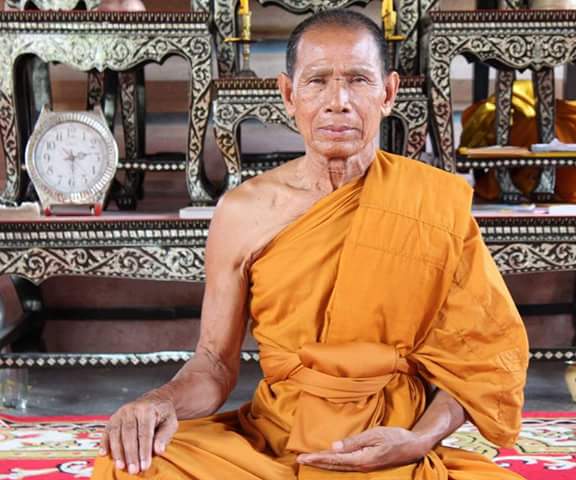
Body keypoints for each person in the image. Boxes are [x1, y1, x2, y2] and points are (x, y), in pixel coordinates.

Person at [91, 9, 529, 479]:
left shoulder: (432, 202)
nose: (338, 102)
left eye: (358, 80)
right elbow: (214, 364)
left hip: (393, 443)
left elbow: (483, 361)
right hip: (278, 442)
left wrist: (418, 440)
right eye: (317, 81)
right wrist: (158, 402)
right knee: (129, 466)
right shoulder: (243, 212)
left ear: (388, 93)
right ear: (289, 94)